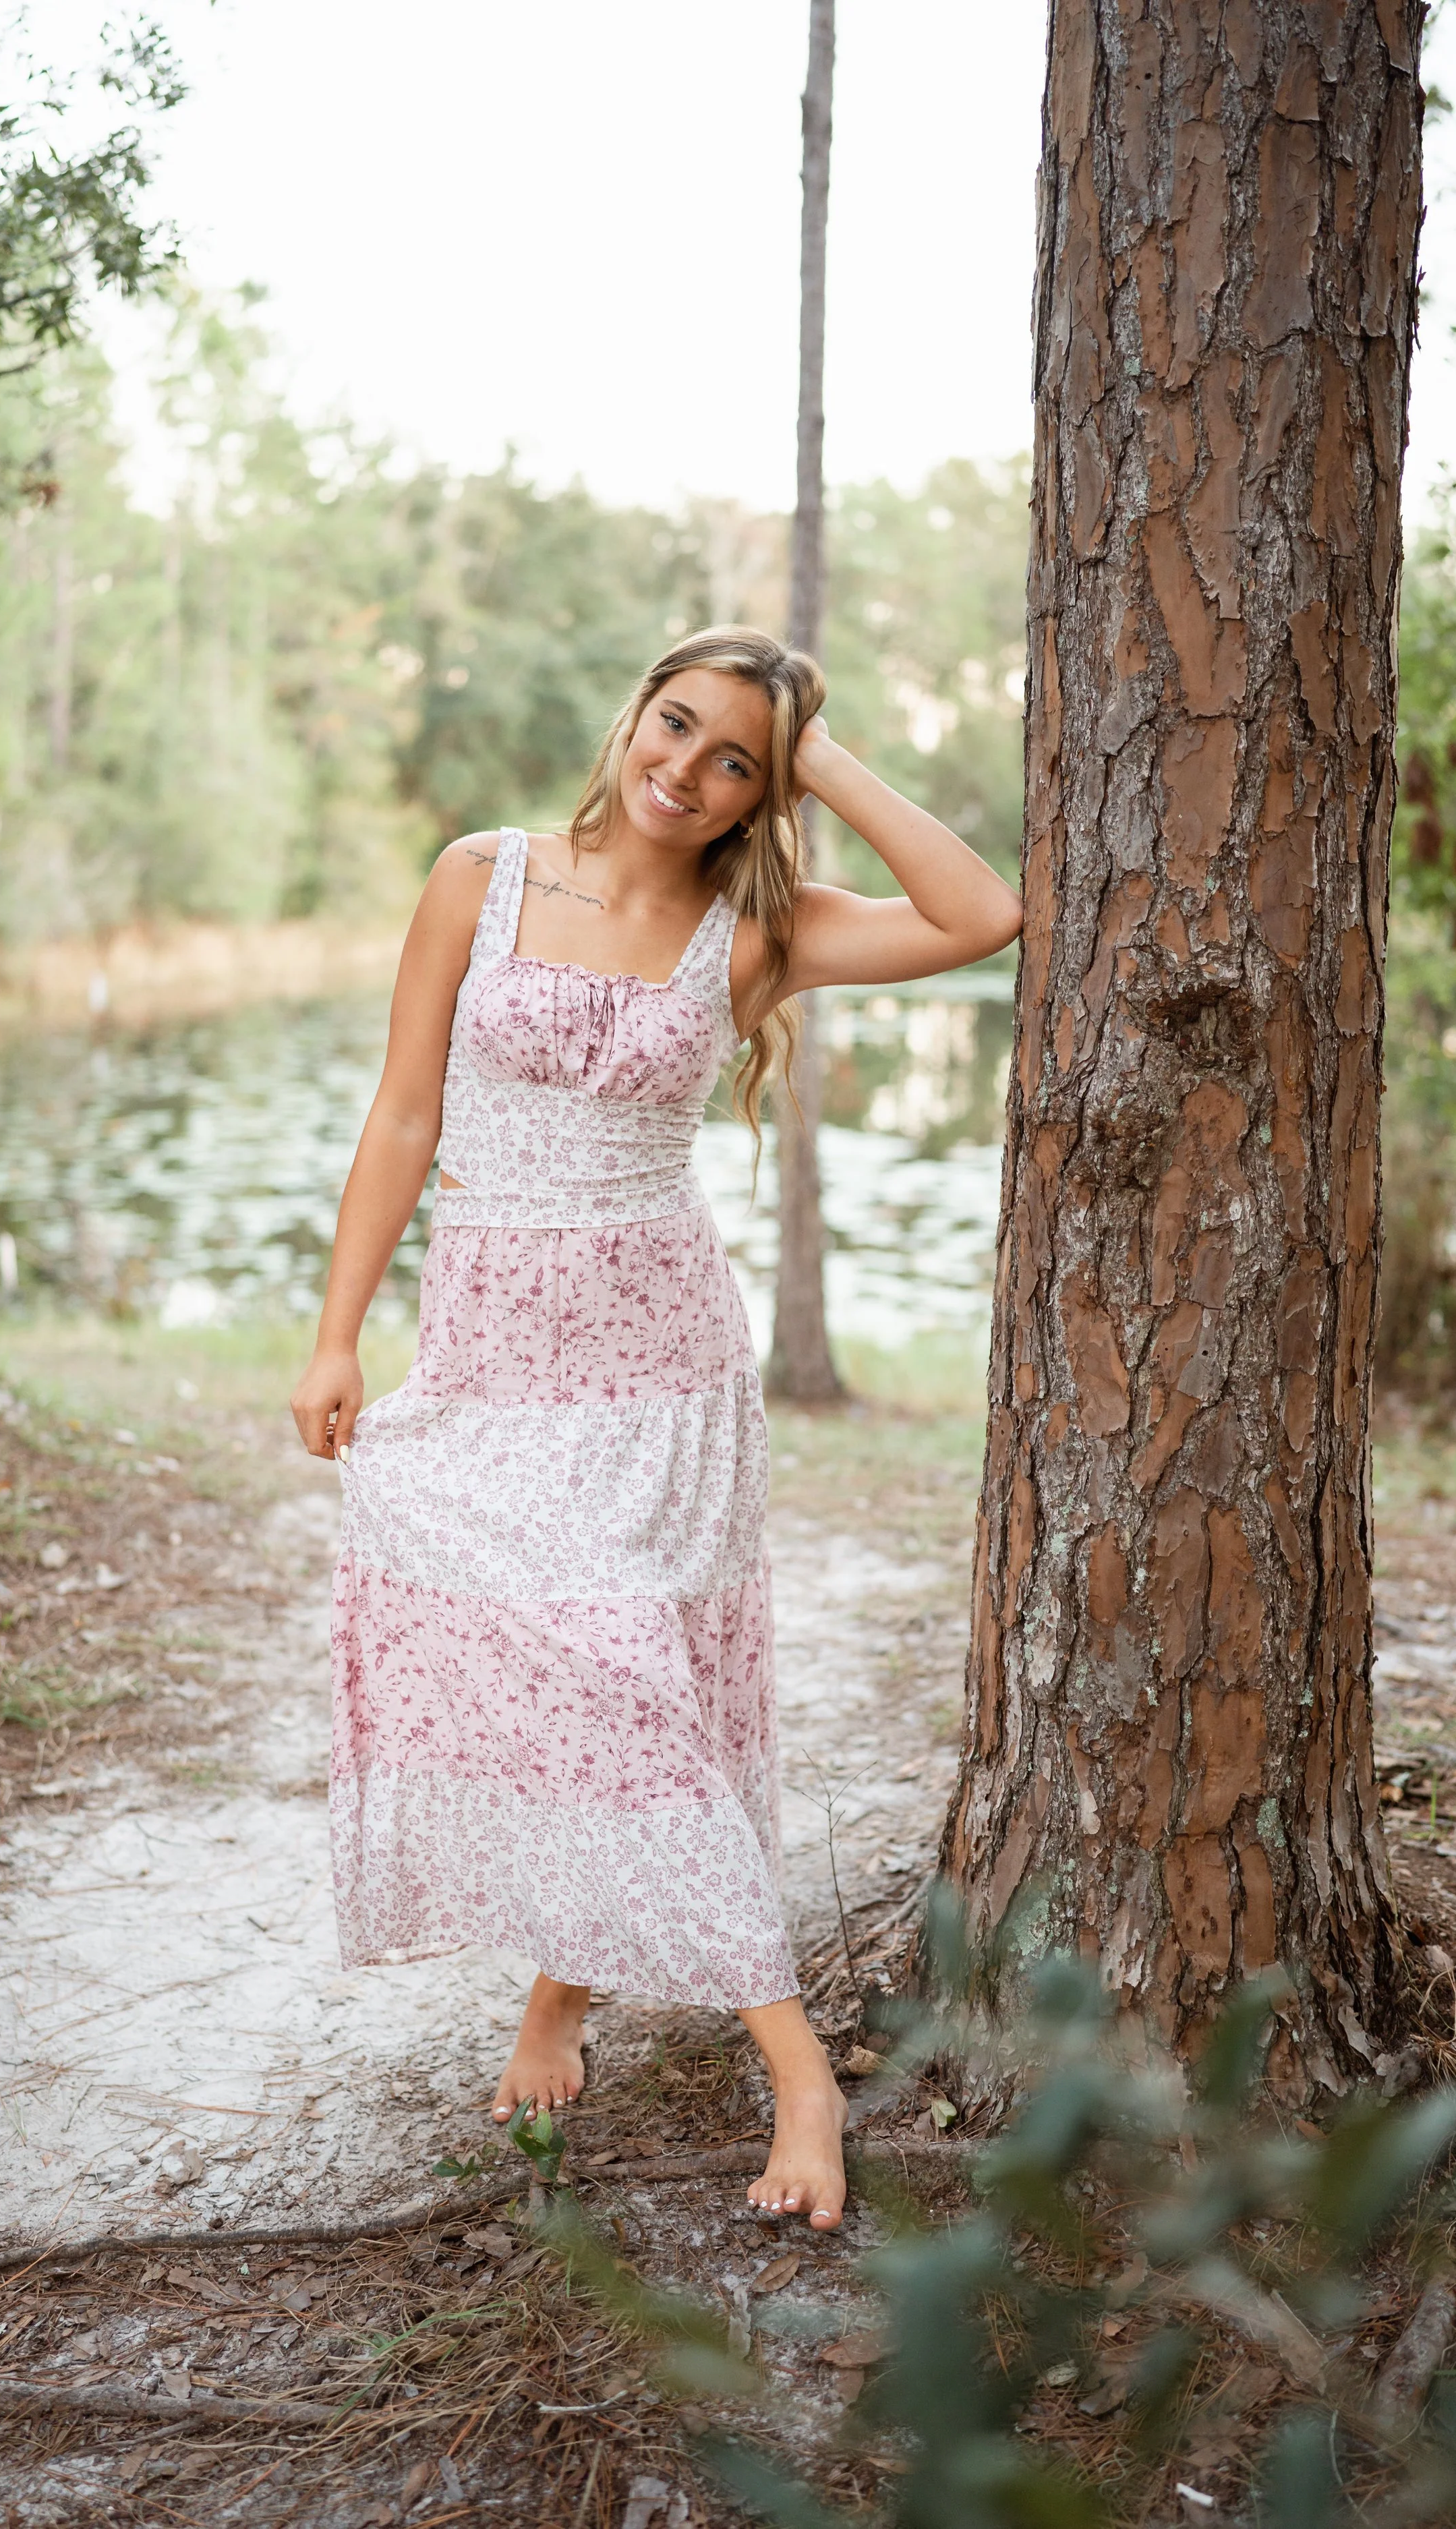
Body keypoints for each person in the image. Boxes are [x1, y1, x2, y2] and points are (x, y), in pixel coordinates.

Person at [290, 626, 1022, 2230]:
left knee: (634, 1681)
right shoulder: (474, 876)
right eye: (674, 725)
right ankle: (571, 1987)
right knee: (580, 1676)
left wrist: (817, 749)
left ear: (763, 793)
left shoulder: (755, 927)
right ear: (632, 706)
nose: (681, 772)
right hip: (490, 1352)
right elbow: (405, 1113)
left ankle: (796, 2071)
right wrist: (340, 1330)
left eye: (731, 762)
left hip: (661, 1365)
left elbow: (985, 914)